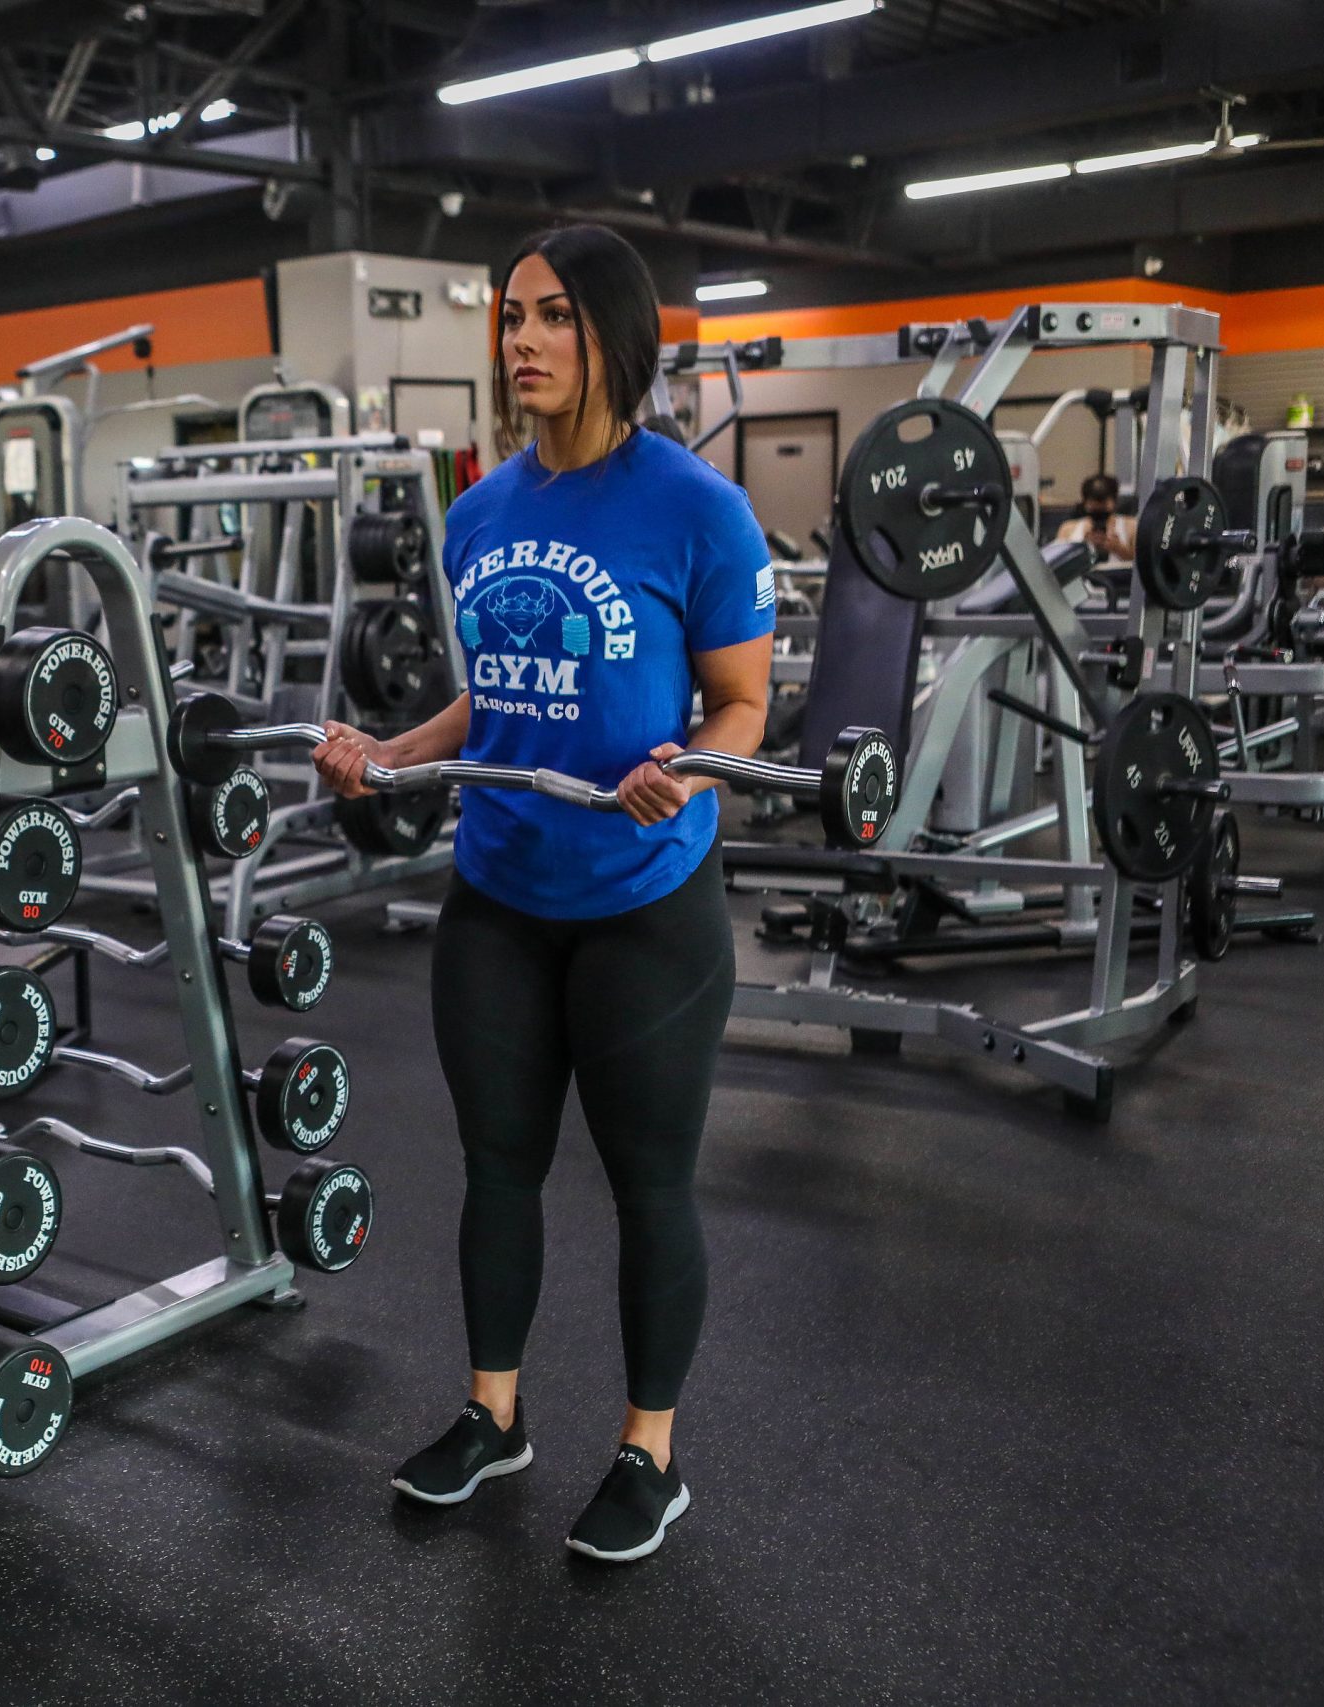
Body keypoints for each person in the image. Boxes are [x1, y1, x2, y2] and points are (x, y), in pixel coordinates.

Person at [311, 224, 775, 1564]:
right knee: (496, 1171)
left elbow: (744, 702)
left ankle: (649, 1450)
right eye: (511, 315)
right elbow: (492, 694)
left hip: (643, 901)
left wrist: (686, 773)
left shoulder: (695, 507)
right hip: (499, 894)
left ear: (614, 334)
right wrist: (389, 754)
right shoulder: (480, 511)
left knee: (648, 1187)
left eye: (555, 316)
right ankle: (494, 1413)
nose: (522, 340)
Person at [1055, 472, 1137, 562]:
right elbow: (1058, 562)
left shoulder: (1131, 526)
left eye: (1103, 508)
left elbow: (1143, 563)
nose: (1099, 514)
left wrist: (1119, 549)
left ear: (1115, 502)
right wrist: (1082, 547)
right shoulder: (1068, 529)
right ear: (1085, 503)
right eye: (1094, 509)